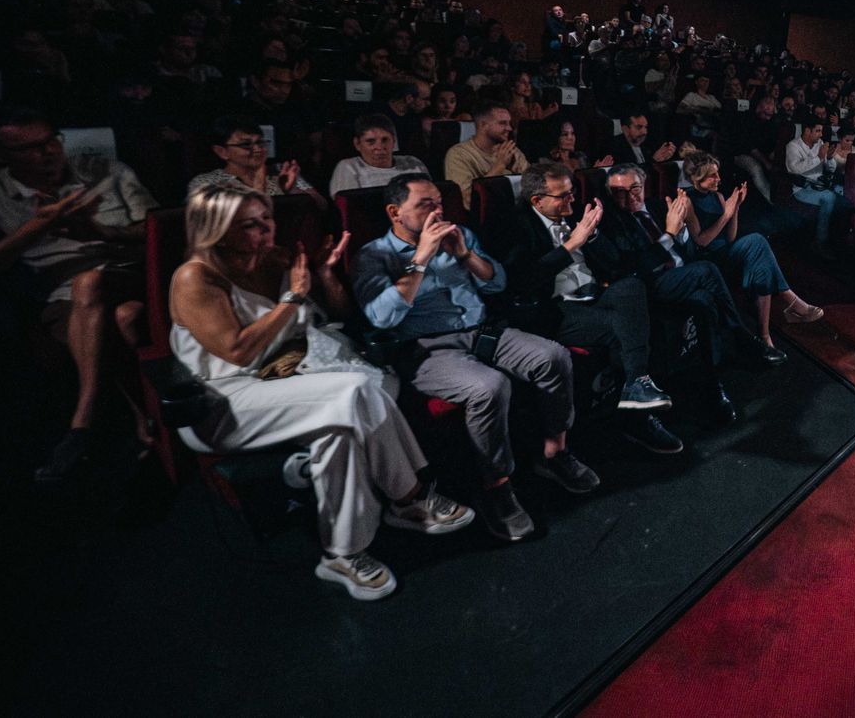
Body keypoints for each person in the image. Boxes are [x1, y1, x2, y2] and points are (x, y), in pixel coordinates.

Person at [168, 185, 474, 600]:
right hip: (223, 401)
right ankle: (410, 496)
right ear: (216, 230)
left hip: (288, 381)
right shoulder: (194, 277)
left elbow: (335, 317)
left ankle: (343, 554)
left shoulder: (276, 258)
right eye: (250, 224)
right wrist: (292, 296)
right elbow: (236, 351)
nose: (266, 228)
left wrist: (324, 275)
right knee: (355, 391)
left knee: (340, 432)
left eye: (266, 217)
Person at [352, 174, 598, 541]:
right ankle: (496, 486)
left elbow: (496, 282)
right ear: (395, 212)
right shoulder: (375, 255)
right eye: (425, 204)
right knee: (489, 386)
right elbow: (381, 317)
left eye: (438, 202)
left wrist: (464, 254)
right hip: (424, 346)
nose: (437, 210)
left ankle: (553, 453)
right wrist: (421, 258)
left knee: (553, 357)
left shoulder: (460, 235)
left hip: (482, 330)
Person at [0, 107, 156, 482]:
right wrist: (38, 225)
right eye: (29, 149)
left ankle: (83, 422)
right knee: (125, 318)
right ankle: (146, 422)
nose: (47, 154)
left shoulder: (109, 172)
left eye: (51, 141)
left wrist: (103, 233)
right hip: (60, 296)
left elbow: (157, 232)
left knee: (90, 283)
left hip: (126, 272)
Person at [500, 161, 695, 453]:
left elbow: (615, 264)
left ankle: (636, 387)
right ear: (537, 201)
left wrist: (591, 236)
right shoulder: (516, 226)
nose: (571, 200)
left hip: (595, 293)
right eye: (562, 196)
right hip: (557, 308)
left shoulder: (577, 214)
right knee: (628, 326)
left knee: (632, 288)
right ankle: (636, 417)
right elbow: (522, 282)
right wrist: (570, 246)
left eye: (571, 193)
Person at [589, 164, 783, 375]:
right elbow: (634, 267)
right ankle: (742, 336)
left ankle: (713, 379)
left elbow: (688, 248)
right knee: (706, 270)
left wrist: (681, 230)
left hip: (684, 274)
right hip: (653, 284)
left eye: (635, 188)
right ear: (611, 196)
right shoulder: (614, 224)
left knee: (704, 301)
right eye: (620, 192)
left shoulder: (658, 206)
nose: (631, 196)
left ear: (643, 186)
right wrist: (669, 235)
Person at [683, 152, 822, 351]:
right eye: (712, 176)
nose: (719, 179)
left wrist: (736, 207)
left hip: (726, 252)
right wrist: (726, 215)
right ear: (697, 178)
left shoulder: (719, 196)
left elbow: (730, 237)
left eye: (718, 174)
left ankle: (765, 335)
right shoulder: (688, 200)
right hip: (708, 262)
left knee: (760, 256)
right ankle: (790, 304)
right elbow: (701, 242)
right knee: (757, 244)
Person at [188, 115, 322, 202]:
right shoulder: (206, 183)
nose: (257, 149)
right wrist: (259, 185)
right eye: (246, 144)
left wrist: (292, 191)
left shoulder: (280, 173)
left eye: (260, 142)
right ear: (222, 151)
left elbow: (321, 206)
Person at [442, 103, 528, 204]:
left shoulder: (510, 150)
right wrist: (499, 166)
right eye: (502, 123)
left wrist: (519, 173)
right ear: (483, 125)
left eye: (509, 123)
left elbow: (536, 187)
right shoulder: (458, 155)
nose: (509, 128)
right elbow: (467, 200)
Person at [783, 120, 844, 255]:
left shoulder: (820, 144)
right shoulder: (793, 146)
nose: (821, 135)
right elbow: (795, 170)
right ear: (807, 131)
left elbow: (831, 169)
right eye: (817, 131)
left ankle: (839, 240)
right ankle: (820, 242)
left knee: (844, 193)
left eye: (821, 131)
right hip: (802, 187)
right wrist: (819, 157)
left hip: (821, 184)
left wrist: (828, 158)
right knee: (829, 198)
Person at [328, 115, 430, 195]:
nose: (379, 147)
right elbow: (349, 207)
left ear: (394, 141)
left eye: (385, 140)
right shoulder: (349, 167)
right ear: (357, 144)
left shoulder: (413, 163)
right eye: (371, 141)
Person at [602, 113, 675, 168]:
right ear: (625, 129)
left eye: (645, 127)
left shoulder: (647, 145)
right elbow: (629, 173)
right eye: (639, 127)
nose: (644, 132)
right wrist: (654, 160)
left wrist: (661, 159)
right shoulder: (614, 147)